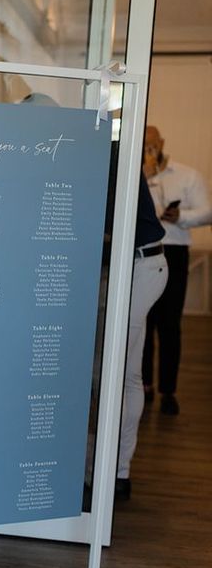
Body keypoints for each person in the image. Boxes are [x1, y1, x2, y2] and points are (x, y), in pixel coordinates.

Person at [141, 126, 212, 414]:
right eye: (143, 146)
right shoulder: (135, 176)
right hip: (144, 253)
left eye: (151, 145)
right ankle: (144, 385)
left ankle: (169, 389)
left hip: (174, 251)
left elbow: (207, 212)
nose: (148, 151)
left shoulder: (187, 175)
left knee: (170, 325)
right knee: (144, 322)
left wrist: (181, 216)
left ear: (162, 143)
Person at [115, 171, 168, 500]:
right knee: (129, 371)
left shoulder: (119, 155)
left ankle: (118, 471)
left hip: (141, 266)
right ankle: (118, 470)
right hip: (132, 266)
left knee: (123, 373)